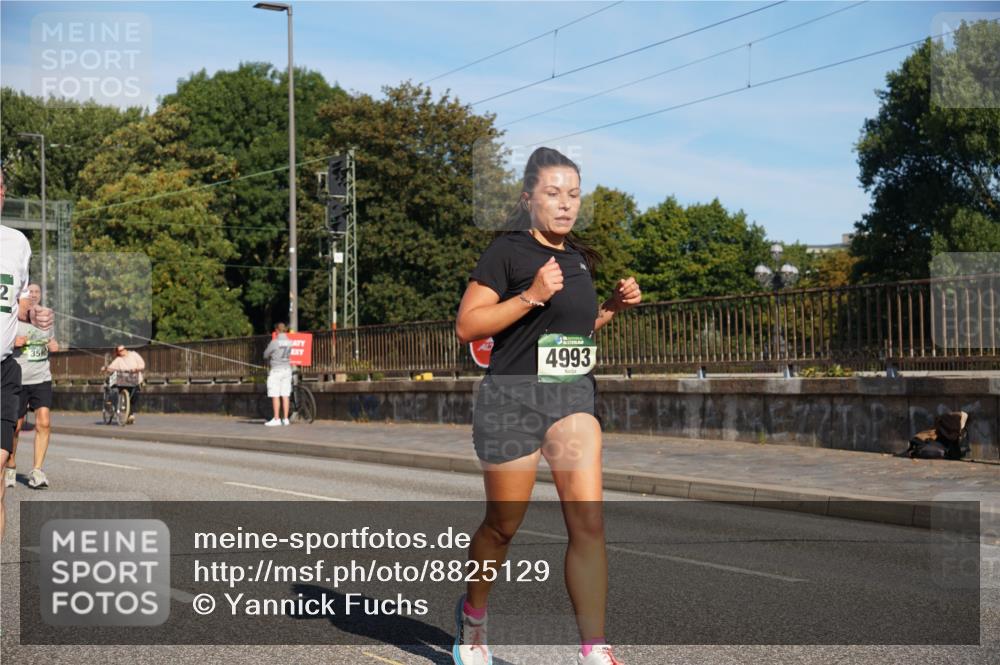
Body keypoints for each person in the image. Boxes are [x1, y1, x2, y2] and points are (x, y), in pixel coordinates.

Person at [453, 147, 642, 665]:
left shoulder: (577, 258)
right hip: (511, 401)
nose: (566, 205)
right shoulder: (507, 252)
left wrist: (610, 309)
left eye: (574, 194)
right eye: (553, 193)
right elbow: (469, 326)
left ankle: (593, 648)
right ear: (527, 198)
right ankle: (473, 619)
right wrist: (531, 294)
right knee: (502, 526)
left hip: (571, 397)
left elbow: (568, 333)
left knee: (588, 523)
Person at [1, 164, 54, 540]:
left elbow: (18, 305)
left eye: (0, 188)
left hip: (4, 371)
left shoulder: (17, 243)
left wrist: (35, 313)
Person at [6, 283, 58, 489]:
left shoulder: (44, 318)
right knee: (16, 426)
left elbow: (53, 342)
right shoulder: (11, 320)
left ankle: (37, 470)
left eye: (37, 294)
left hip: (41, 378)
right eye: (29, 295)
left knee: (44, 422)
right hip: (18, 379)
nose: (33, 298)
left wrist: (54, 345)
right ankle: (10, 463)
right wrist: (13, 343)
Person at [103, 345, 145, 424]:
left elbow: (142, 364)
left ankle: (130, 414)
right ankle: (125, 413)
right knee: (119, 393)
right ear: (118, 352)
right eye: (120, 351)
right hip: (124, 381)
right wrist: (105, 368)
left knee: (134, 395)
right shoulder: (118, 359)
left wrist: (137, 369)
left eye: (123, 349)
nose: (123, 351)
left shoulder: (134, 354)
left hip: (135, 379)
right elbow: (111, 367)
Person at [262, 322, 293, 426]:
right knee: (285, 395)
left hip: (276, 370)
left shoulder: (275, 342)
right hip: (287, 369)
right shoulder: (289, 341)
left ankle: (276, 418)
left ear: (277, 330)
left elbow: (265, 354)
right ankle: (286, 419)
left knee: (275, 395)